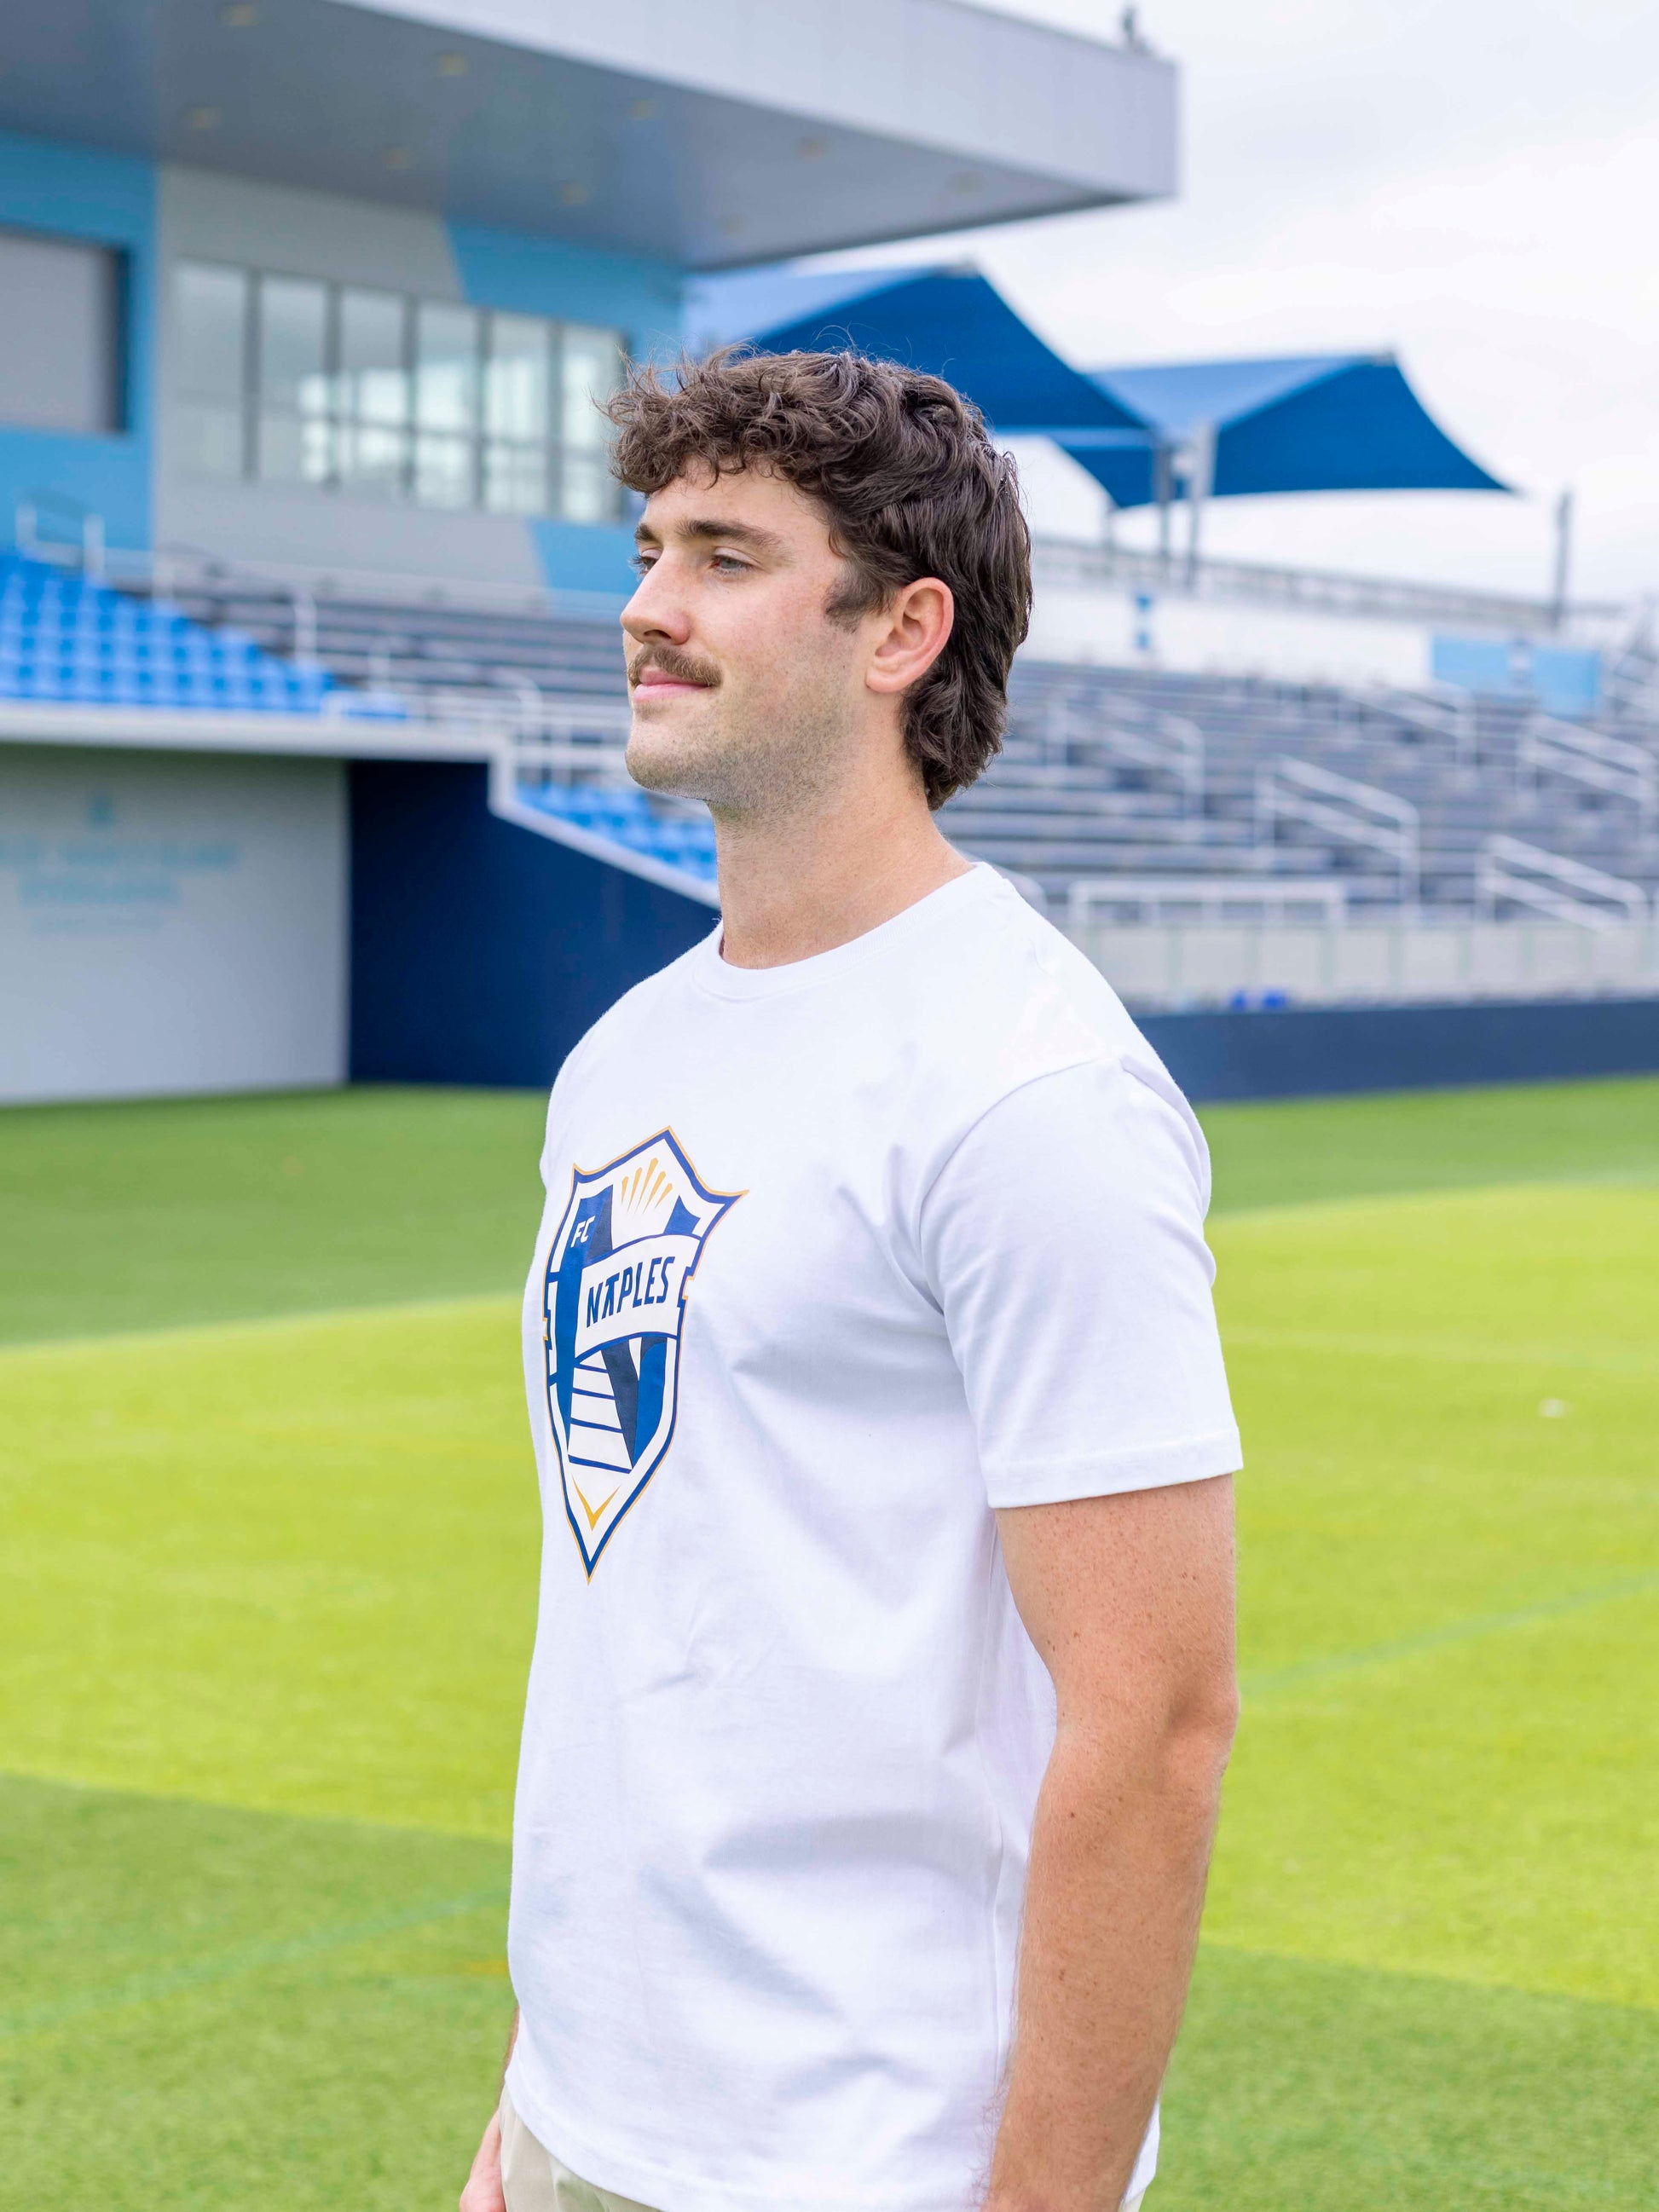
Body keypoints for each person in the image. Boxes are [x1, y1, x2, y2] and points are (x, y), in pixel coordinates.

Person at [460, 349, 1240, 2212]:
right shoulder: (625, 1055)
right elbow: (652, 1603)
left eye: (725, 556)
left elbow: (1153, 1725)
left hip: (863, 2149)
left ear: (902, 628)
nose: (648, 606)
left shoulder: (1028, 1087)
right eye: (650, 550)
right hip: (591, 2113)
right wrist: (534, 2105)